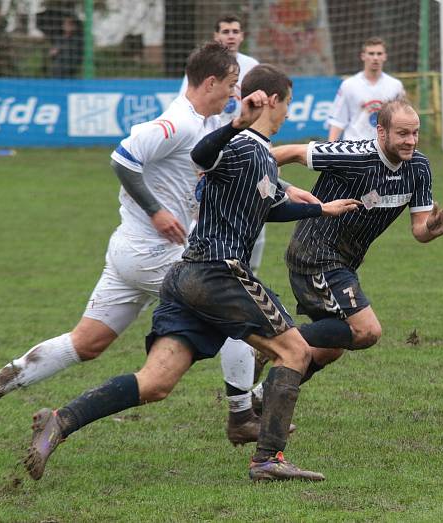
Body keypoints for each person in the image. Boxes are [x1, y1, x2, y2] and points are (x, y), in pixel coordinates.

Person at [0, 42, 308, 447]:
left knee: (86, 342)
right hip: (156, 254)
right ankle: (242, 415)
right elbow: (123, 158)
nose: (233, 93)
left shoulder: (208, 126)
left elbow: (233, 168)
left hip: (129, 253)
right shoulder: (178, 122)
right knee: (233, 312)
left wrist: (284, 187)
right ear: (209, 81)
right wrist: (157, 210)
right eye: (230, 84)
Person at [23, 64, 361, 482]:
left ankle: (60, 420)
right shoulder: (241, 144)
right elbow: (202, 154)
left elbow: (268, 207)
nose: (290, 112)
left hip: (187, 277)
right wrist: (238, 121)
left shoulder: (260, 158)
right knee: (294, 352)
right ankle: (268, 460)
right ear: (272, 100)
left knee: (156, 383)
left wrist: (319, 208)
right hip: (220, 273)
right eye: (288, 103)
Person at [256, 98, 443, 394]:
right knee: (366, 331)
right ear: (381, 132)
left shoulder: (419, 167)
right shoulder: (353, 154)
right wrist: (250, 174)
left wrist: (431, 229)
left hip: (343, 263)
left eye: (415, 133)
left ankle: (260, 398)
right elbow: (293, 152)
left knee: (330, 348)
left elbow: (419, 230)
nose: (411, 141)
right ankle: (273, 339)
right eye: (403, 134)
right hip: (315, 253)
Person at [179, 15, 279, 428]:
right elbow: (198, 155)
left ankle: (244, 408)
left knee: (239, 288)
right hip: (206, 211)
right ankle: (249, 413)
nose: (236, 91)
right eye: (225, 31)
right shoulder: (190, 109)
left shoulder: (251, 71)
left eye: (236, 31)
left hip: (235, 195)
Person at [327, 36, 405, 142]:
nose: (375, 58)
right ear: (363, 56)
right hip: (355, 146)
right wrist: (328, 150)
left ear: (385, 57)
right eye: (371, 53)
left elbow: (401, 120)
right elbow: (338, 121)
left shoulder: (395, 86)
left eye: (379, 54)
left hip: (384, 148)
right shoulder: (349, 85)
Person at [48, 13, 83, 78]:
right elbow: (52, 54)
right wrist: (53, 52)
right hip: (56, 72)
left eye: (69, 24)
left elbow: (76, 58)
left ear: (74, 27)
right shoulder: (59, 38)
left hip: (68, 72)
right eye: (65, 24)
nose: (66, 26)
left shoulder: (76, 40)